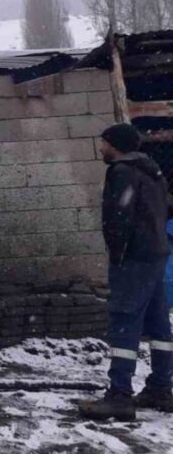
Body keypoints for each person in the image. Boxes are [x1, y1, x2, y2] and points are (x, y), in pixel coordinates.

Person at [79, 123, 173, 420]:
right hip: (155, 254)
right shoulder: (152, 170)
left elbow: (119, 219)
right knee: (158, 323)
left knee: (124, 320)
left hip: (134, 259)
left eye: (104, 143)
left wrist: (118, 254)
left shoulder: (122, 172)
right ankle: (160, 387)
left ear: (115, 145)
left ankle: (119, 395)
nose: (101, 148)